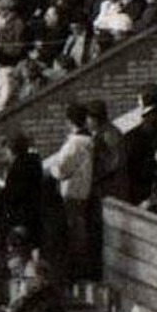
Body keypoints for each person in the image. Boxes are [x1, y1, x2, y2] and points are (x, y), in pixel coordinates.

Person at [44, 102, 97, 280]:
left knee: (74, 232)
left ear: (69, 121)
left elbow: (61, 169)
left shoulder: (74, 143)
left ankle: (77, 271)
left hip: (71, 192)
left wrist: (51, 168)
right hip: (84, 190)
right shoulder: (90, 140)